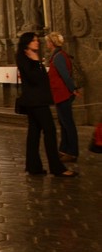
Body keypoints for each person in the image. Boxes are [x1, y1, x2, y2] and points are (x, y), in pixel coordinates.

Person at [17, 32, 76, 177]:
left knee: (34, 132)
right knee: (49, 131)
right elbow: (37, 79)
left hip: (35, 100)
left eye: (37, 40)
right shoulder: (25, 57)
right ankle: (57, 168)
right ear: (27, 43)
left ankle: (33, 167)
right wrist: (37, 62)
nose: (37, 43)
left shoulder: (29, 56)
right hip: (36, 101)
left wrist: (38, 62)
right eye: (34, 41)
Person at [46, 32, 80, 163]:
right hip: (59, 94)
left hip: (63, 94)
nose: (47, 44)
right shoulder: (57, 55)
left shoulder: (59, 57)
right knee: (63, 123)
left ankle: (72, 152)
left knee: (68, 124)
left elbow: (65, 75)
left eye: (48, 41)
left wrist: (73, 89)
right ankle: (64, 149)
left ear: (52, 43)